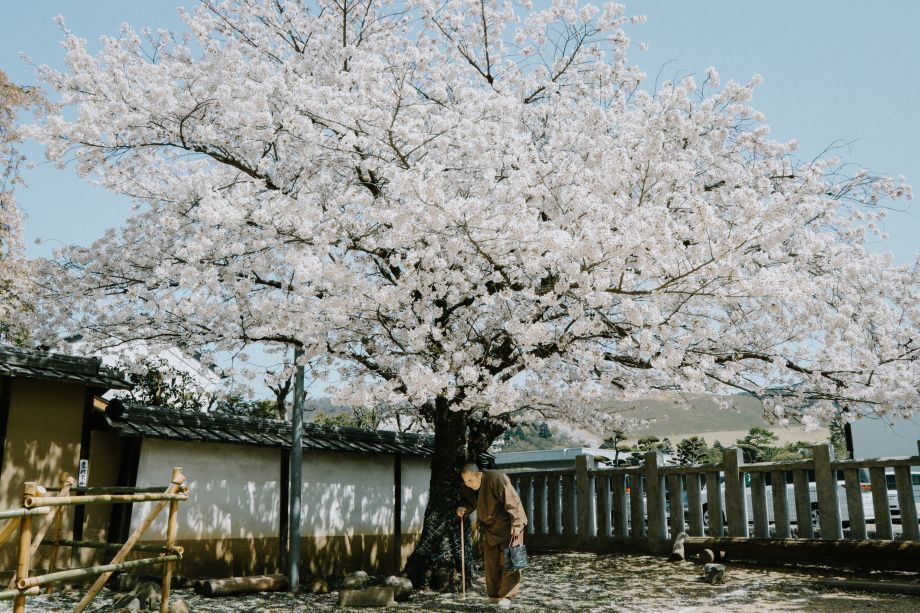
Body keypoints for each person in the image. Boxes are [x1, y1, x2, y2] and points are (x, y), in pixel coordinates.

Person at [456, 463, 528, 608]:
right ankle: (494, 596)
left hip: (509, 524)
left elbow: (513, 501)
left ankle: (507, 596)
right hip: (489, 528)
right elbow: (469, 502)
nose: (468, 484)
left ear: (479, 475)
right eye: (465, 481)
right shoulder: (468, 486)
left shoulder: (496, 478)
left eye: (470, 480)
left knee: (512, 562)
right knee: (491, 563)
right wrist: (463, 508)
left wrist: (517, 524)